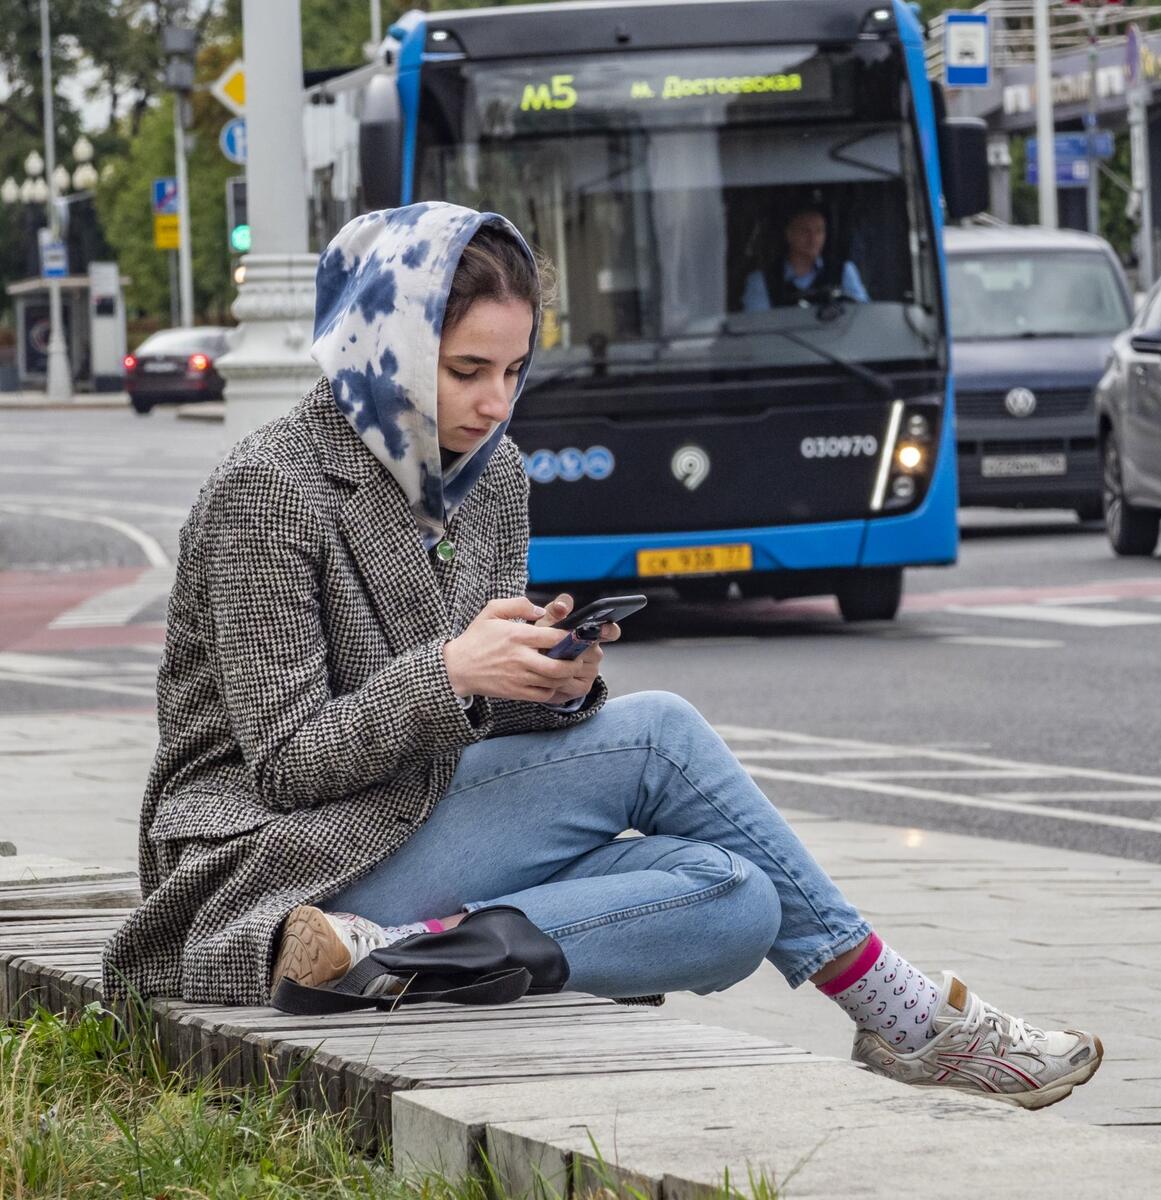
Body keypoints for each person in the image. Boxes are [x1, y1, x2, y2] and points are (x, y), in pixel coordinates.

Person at [102, 202, 1101, 1110]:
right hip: (268, 868)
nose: (496, 404)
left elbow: (479, 720)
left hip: (407, 841)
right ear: (386, 349)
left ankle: (404, 955)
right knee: (660, 733)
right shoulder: (269, 492)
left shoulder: (490, 482)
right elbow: (283, 763)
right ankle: (909, 1017)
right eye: (465, 372)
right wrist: (455, 673)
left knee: (744, 906)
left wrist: (554, 686)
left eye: (513, 371)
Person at [742, 205, 869, 312]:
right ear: (789, 234)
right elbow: (758, 328)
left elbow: (862, 316)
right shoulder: (761, 281)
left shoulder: (844, 271)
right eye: (805, 231)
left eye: (819, 231)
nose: (813, 239)